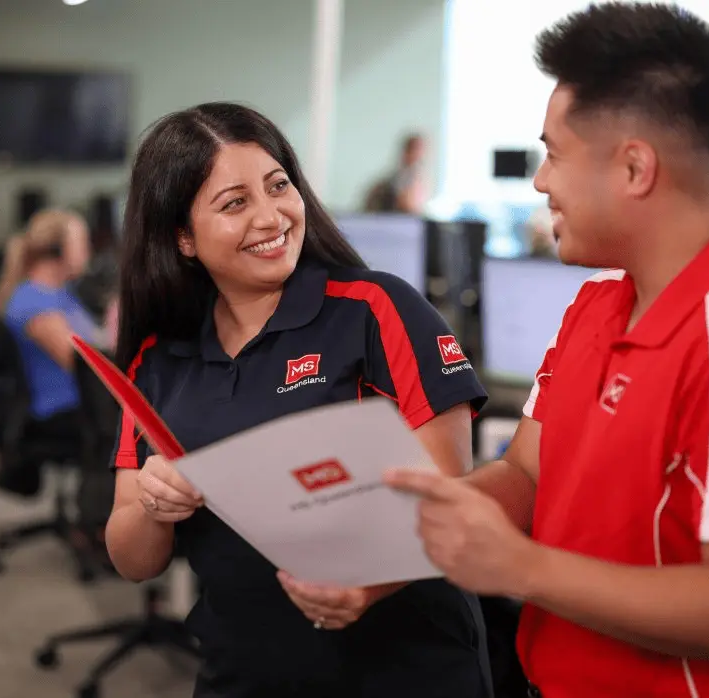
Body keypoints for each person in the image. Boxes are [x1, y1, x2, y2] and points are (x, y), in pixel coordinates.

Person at [386, 4, 709, 698]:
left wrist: (520, 569)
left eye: (554, 155)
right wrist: (393, 542)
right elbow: (527, 475)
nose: (540, 181)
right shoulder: (597, 303)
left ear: (633, 168)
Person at [105, 102, 491, 698]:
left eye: (279, 186)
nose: (271, 216)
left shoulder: (376, 309)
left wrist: (361, 577)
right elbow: (134, 561)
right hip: (243, 671)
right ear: (183, 237)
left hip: (401, 668)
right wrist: (156, 507)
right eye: (235, 203)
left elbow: (449, 496)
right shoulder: (158, 360)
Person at [3, 209, 101, 439]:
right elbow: (82, 366)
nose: (89, 252)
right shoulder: (34, 303)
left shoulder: (60, 292)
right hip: (62, 410)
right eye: (82, 243)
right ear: (57, 251)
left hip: (83, 401)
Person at [363, 133, 429, 215]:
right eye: (415, 149)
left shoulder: (419, 178)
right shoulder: (392, 182)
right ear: (406, 151)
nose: (419, 154)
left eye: (420, 150)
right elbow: (407, 205)